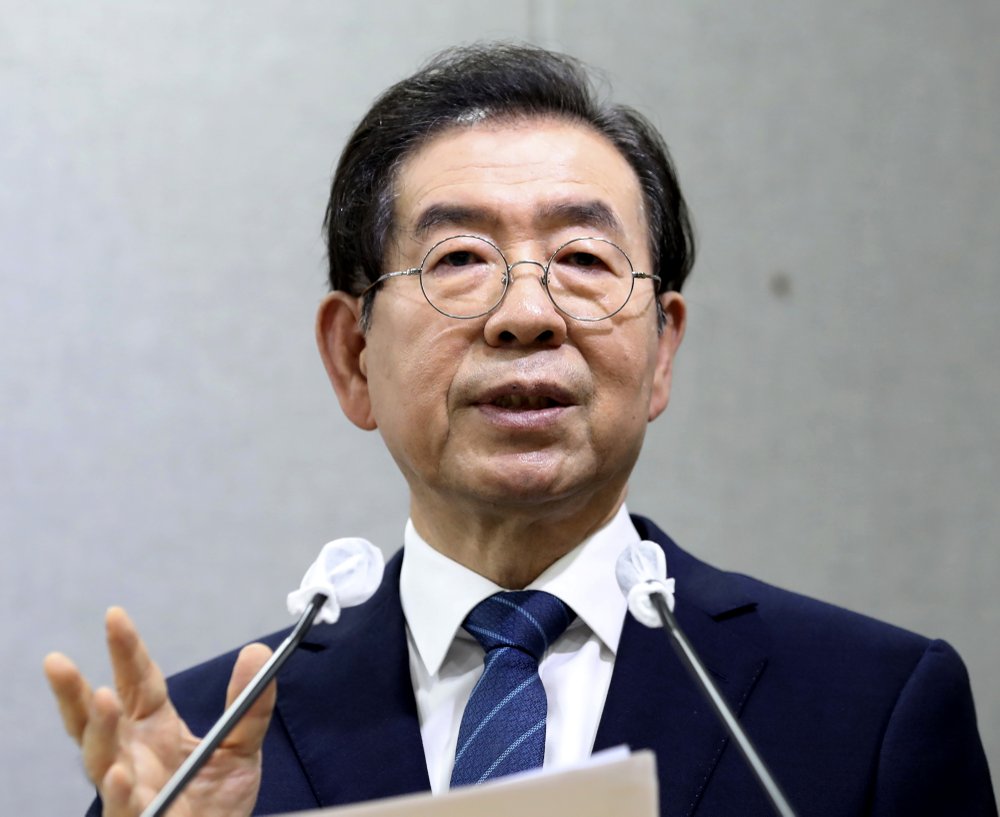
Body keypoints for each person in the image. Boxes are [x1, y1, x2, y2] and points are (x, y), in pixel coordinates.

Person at [45, 43, 996, 817]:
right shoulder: (206, 748)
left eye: (583, 257)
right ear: (352, 356)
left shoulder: (867, 709)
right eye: (460, 258)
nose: (528, 313)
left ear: (662, 349)